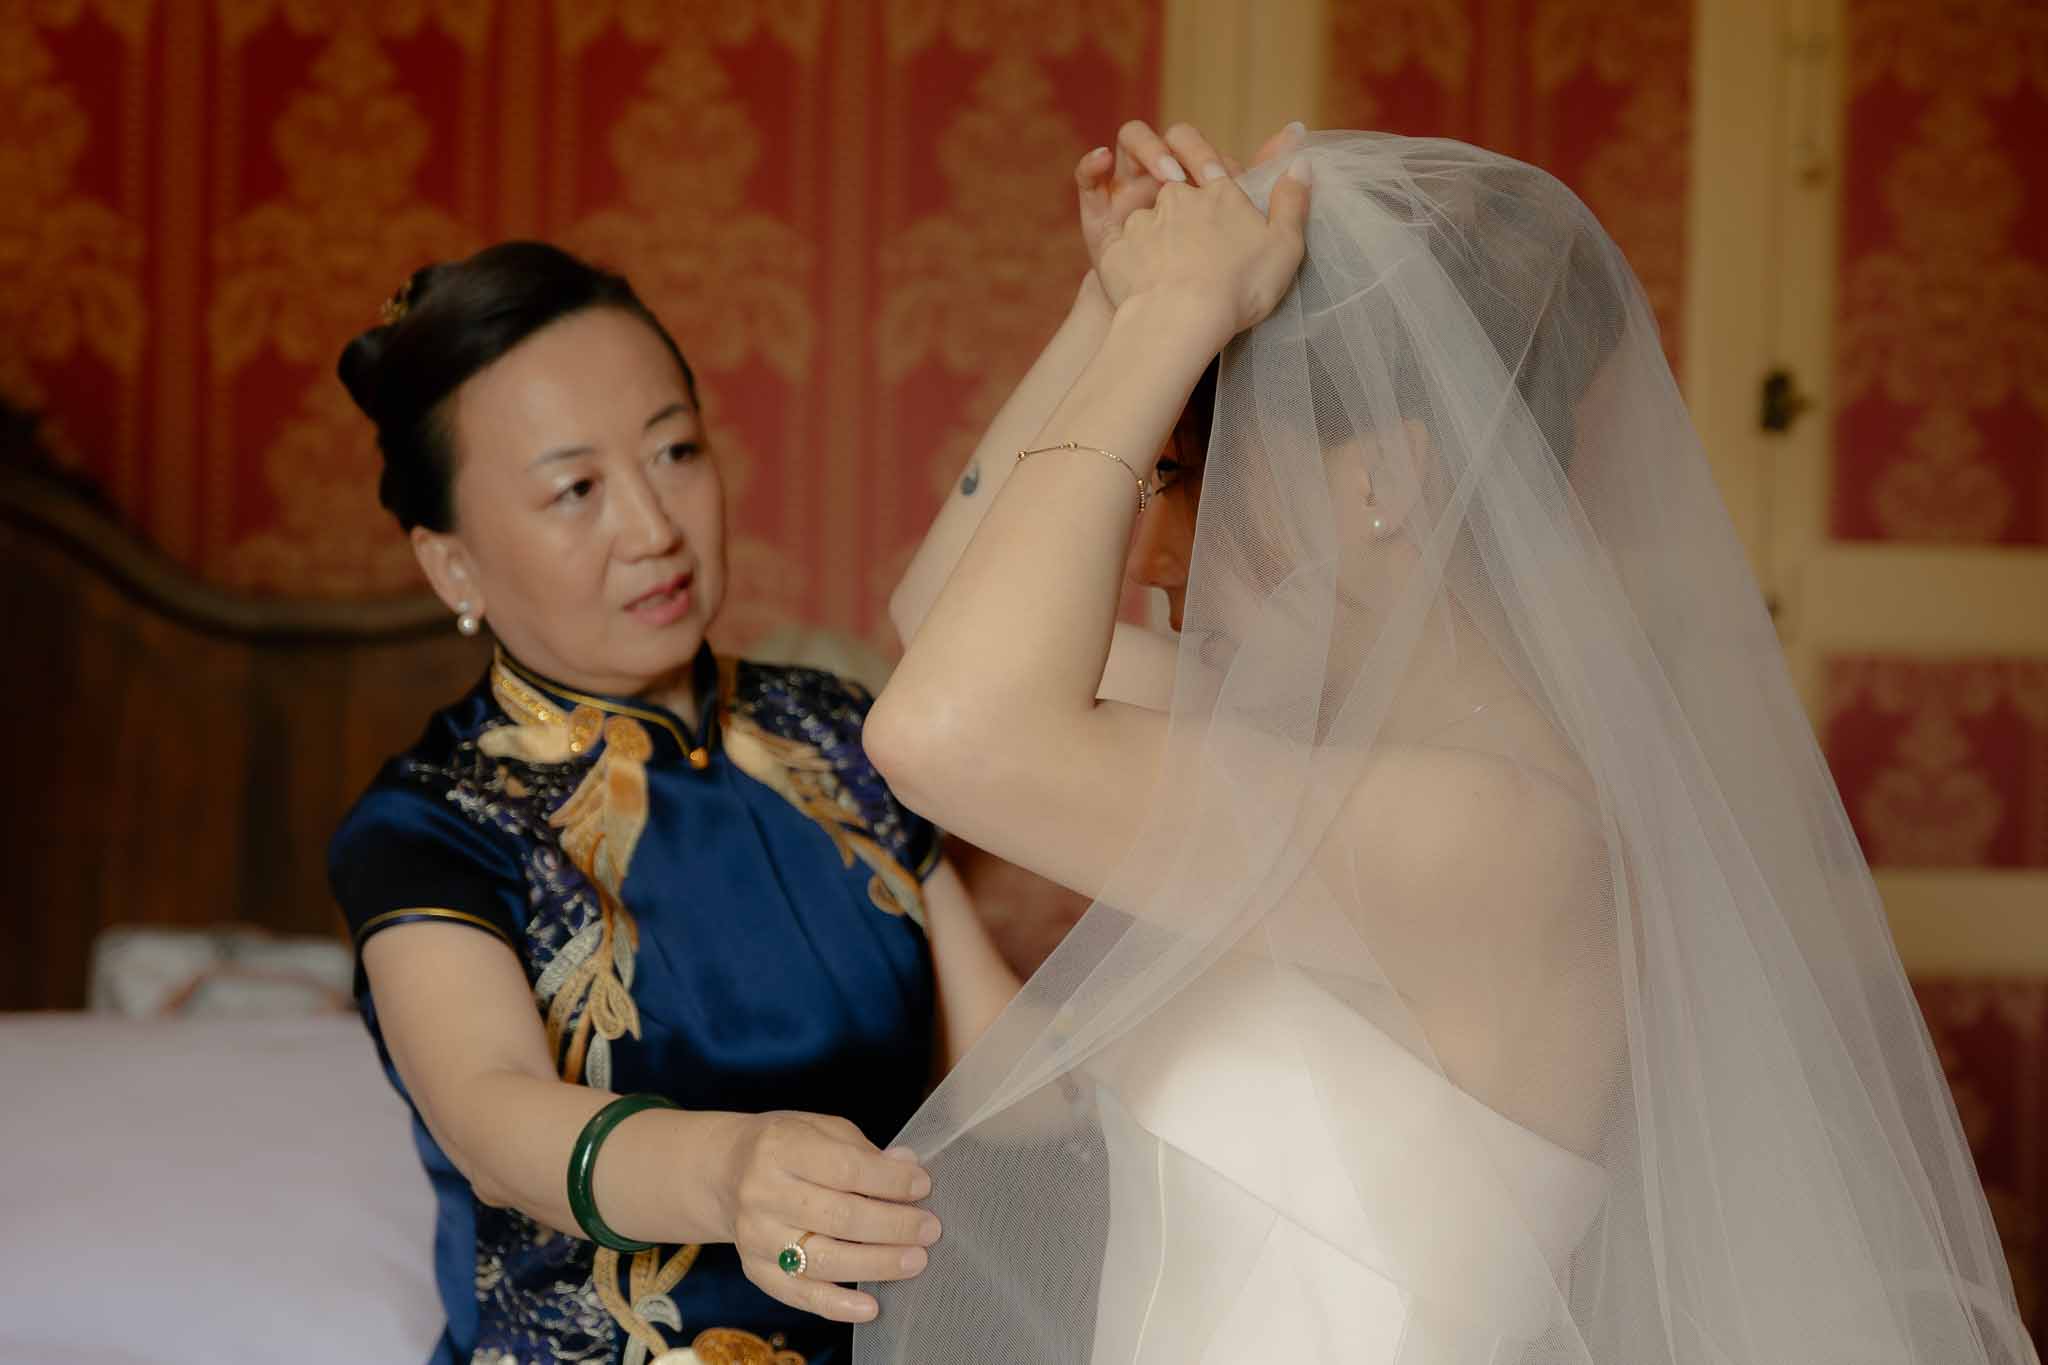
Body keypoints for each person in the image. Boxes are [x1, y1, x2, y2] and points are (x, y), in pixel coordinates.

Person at [859, 129, 2033, 1363]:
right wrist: (1111, 309)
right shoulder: (1294, 747)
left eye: (1184, 479)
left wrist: (1168, 321)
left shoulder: (1501, 832)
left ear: (1382, 479)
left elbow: (944, 730)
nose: (1144, 556)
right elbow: (937, 623)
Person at [327, 241, 1020, 1365]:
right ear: (451, 566)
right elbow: (494, 1117)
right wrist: (730, 1173)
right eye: (575, 490)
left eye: (675, 451)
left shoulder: (836, 731)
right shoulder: (433, 818)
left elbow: (1010, 1073)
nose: (653, 526)